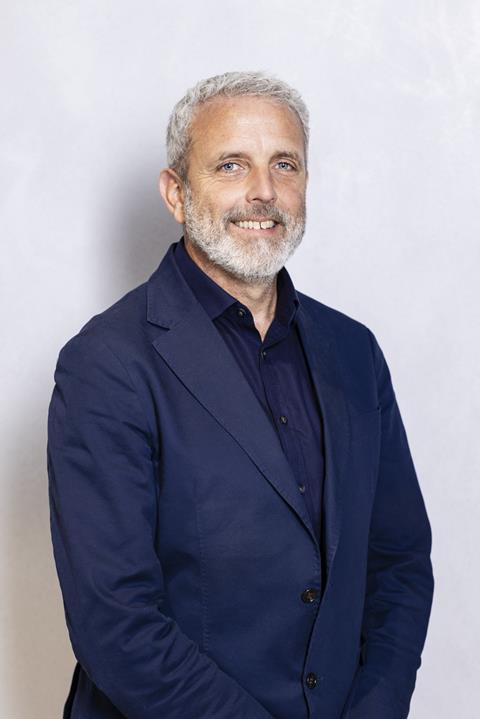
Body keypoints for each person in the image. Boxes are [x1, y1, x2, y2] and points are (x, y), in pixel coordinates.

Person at [47, 71, 434, 719]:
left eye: (285, 164)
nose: (264, 191)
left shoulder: (354, 351)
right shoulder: (106, 363)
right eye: (231, 165)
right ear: (176, 193)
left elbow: (398, 563)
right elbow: (116, 623)